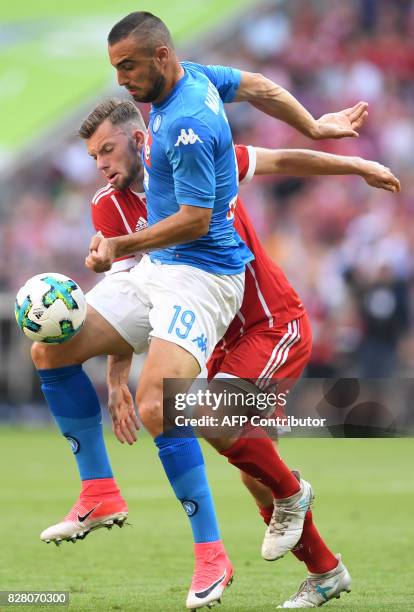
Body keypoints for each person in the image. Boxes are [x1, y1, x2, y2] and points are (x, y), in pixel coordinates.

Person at [31, 10, 376, 609]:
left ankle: (283, 509)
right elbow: (130, 283)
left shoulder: (191, 138)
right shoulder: (119, 190)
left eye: (128, 68)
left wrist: (352, 163)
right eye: (94, 157)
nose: (103, 164)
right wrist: (114, 373)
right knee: (55, 347)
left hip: (270, 322)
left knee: (203, 419)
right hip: (202, 323)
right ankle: (323, 570)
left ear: (140, 139)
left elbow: (271, 164)